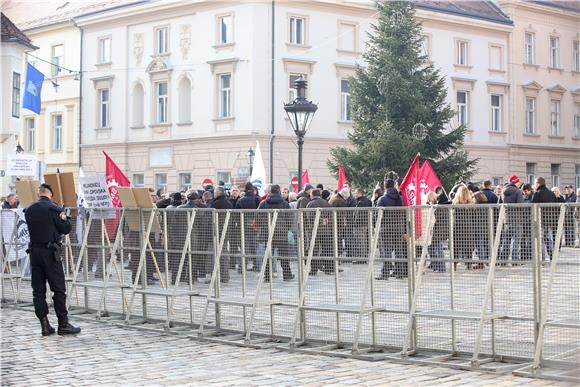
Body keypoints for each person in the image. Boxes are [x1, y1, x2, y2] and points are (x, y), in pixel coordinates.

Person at [24, 184, 80, 336]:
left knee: (38, 291)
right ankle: (63, 323)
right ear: (50, 194)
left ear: (39, 193)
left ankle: (44, 324)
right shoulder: (53, 209)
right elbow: (66, 228)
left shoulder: (29, 209)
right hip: (50, 253)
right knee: (58, 289)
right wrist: (64, 214)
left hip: (34, 252)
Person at [258, 184, 294, 281]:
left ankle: (267, 276)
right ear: (279, 191)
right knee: (284, 255)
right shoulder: (285, 204)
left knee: (268, 255)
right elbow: (290, 218)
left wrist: (263, 226)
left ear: (270, 191)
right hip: (282, 233)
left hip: (268, 233)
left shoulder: (263, 203)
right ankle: (287, 275)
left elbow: (258, 217)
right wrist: (287, 228)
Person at [376, 178, 407, 279]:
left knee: (386, 252)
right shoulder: (400, 198)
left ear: (385, 186)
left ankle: (384, 274)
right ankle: (400, 273)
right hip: (399, 229)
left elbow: (378, 216)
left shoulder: (382, 199)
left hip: (386, 229)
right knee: (399, 251)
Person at [306, 189, 332, 275]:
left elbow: (309, 218)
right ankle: (328, 268)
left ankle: (314, 270)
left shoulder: (310, 204)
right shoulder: (326, 203)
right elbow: (330, 216)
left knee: (314, 250)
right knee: (327, 250)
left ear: (312, 194)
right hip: (326, 230)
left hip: (315, 231)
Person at [532, 177, 557, 260]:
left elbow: (533, 207)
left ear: (538, 184)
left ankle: (541, 258)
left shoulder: (537, 194)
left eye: (535, 183)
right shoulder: (551, 193)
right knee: (549, 239)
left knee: (540, 240)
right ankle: (552, 257)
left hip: (540, 220)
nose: (535, 185)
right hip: (549, 220)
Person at [452, 185, 475, 270]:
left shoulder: (455, 202)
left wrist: (458, 185)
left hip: (457, 225)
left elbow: (451, 193)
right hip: (468, 226)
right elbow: (474, 215)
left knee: (456, 245)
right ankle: (469, 264)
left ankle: (454, 264)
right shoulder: (471, 203)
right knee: (468, 245)